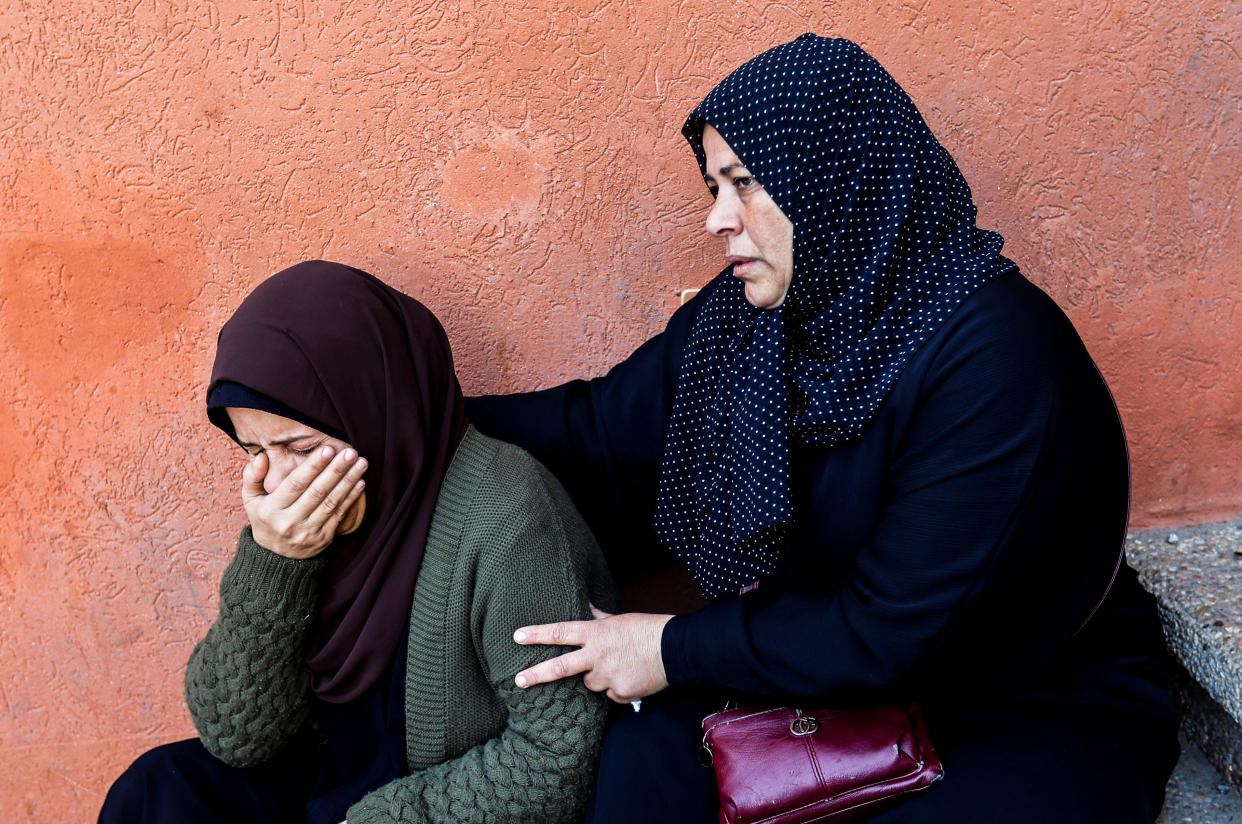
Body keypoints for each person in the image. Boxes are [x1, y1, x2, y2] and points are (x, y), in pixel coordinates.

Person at [466, 35, 1180, 823]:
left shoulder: (995, 355)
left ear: (835, 182)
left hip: (1022, 698)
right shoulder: (755, 322)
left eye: (744, 185)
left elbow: (887, 630)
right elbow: (596, 431)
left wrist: (666, 649)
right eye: (714, 186)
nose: (716, 219)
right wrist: (391, 423)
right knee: (639, 777)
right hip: (813, 676)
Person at [100, 261, 615, 824]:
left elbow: (557, 756)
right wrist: (275, 560)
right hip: (333, 779)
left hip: (433, 805)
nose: (276, 483)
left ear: (373, 410)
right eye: (253, 451)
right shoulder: (307, 518)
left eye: (300, 447)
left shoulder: (506, 515)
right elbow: (235, 737)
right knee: (157, 791)